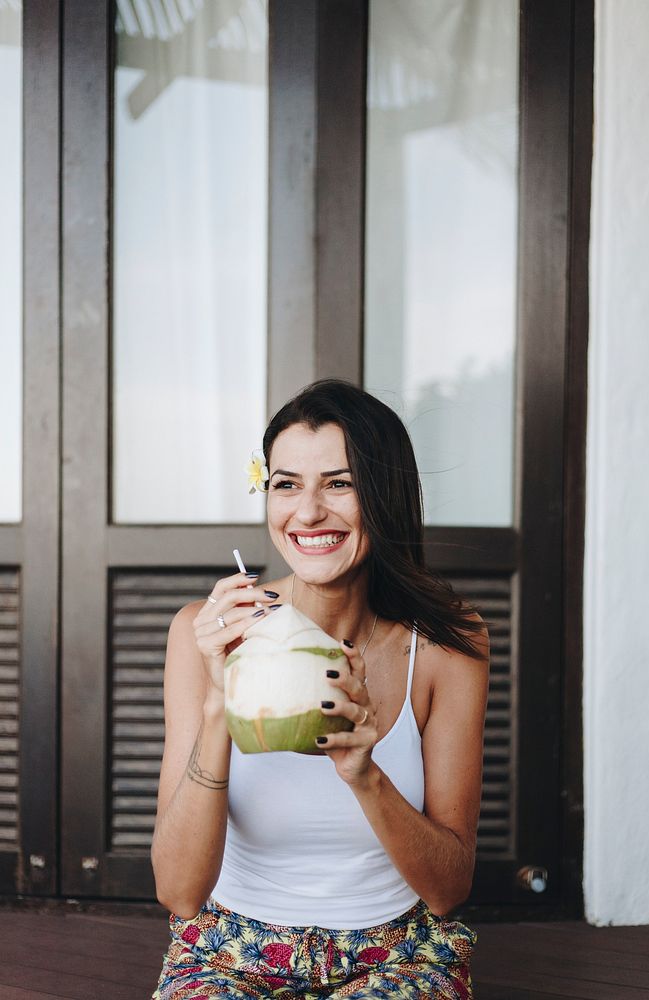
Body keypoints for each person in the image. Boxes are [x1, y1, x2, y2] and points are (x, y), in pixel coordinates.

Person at [151, 379, 490, 1000]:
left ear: (383, 496)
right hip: (230, 952)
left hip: (397, 954)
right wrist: (218, 705)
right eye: (286, 484)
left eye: (339, 483)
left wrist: (363, 773)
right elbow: (179, 890)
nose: (307, 513)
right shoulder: (203, 633)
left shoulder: (446, 642)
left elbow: (449, 889)